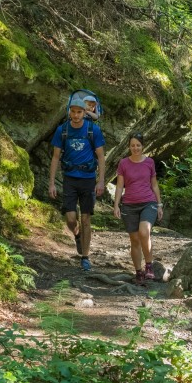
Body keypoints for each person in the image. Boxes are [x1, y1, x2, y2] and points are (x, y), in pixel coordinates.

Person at [49, 97, 106, 271]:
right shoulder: (62, 130)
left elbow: (101, 157)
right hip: (70, 178)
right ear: (69, 111)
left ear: (84, 113)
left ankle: (85, 256)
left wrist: (101, 181)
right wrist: (51, 183)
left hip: (88, 179)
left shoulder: (93, 130)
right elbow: (56, 157)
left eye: (79, 112)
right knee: (71, 219)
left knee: (86, 218)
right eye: (73, 111)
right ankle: (77, 234)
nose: (75, 115)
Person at [113, 133, 163, 284]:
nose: (135, 148)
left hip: (149, 202)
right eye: (133, 145)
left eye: (138, 145)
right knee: (134, 240)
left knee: (144, 232)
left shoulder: (149, 162)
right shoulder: (123, 163)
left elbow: (154, 184)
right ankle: (138, 272)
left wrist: (159, 204)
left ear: (143, 146)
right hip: (129, 204)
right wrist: (116, 205)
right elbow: (120, 185)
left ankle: (149, 266)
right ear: (129, 147)